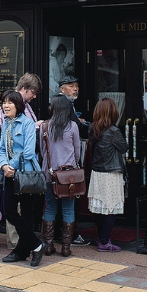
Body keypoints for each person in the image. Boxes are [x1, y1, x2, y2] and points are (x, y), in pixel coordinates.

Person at [0, 90, 46, 266]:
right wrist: (4, 166)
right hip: (10, 174)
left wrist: (12, 166)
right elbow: (1, 149)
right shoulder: (6, 124)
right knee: (9, 211)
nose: (5, 105)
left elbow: (28, 152)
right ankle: (36, 245)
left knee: (26, 214)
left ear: (18, 105)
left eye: (10, 102)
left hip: (24, 174)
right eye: (4, 102)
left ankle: (22, 250)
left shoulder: (27, 123)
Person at [39, 93, 81, 257]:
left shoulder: (45, 126)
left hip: (50, 174)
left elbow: (43, 152)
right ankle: (66, 248)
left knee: (49, 207)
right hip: (68, 176)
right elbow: (77, 151)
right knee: (68, 209)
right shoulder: (72, 126)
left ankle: (48, 246)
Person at [88, 97, 129, 252]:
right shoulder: (114, 132)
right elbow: (124, 148)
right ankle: (104, 242)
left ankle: (101, 238)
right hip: (111, 174)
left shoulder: (92, 129)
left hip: (97, 173)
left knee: (99, 208)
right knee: (111, 208)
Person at [58, 74, 91, 247]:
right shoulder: (62, 105)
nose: (75, 88)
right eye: (71, 86)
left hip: (59, 163)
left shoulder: (69, 104)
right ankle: (67, 238)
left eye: (76, 85)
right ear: (62, 89)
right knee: (69, 198)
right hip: (66, 162)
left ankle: (60, 236)